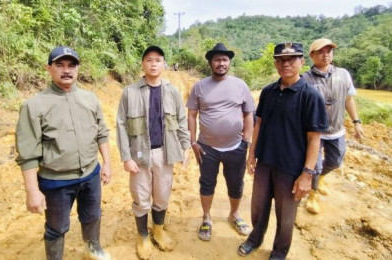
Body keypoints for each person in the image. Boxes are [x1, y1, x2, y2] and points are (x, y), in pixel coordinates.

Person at [15, 46, 111, 260]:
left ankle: (92, 249)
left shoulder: (90, 99)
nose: (66, 70)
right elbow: (28, 152)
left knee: (92, 216)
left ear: (77, 69)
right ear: (49, 68)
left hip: (91, 174)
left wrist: (107, 163)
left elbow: (102, 132)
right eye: (60, 65)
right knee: (56, 227)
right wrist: (32, 191)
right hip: (56, 181)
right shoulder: (34, 106)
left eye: (71, 65)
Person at [237, 43, 329, 259]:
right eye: (280, 60)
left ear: (301, 62)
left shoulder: (310, 96)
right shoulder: (269, 92)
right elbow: (259, 124)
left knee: (285, 214)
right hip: (265, 162)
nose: (285, 63)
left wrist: (307, 174)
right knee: (258, 207)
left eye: (291, 59)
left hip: (292, 167)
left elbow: (315, 137)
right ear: (276, 64)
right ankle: (255, 239)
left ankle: (279, 252)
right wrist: (252, 154)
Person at [116, 45, 190, 260]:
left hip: (165, 153)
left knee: (162, 194)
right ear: (143, 64)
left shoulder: (173, 91)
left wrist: (185, 146)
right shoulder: (130, 92)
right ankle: (142, 236)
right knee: (141, 197)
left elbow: (181, 120)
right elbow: (121, 125)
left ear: (164, 64)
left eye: (158, 60)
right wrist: (126, 157)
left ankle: (158, 230)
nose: (153, 64)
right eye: (149, 60)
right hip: (139, 155)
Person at [187, 43, 255, 241]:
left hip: (236, 147)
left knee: (236, 184)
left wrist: (246, 141)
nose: (221, 63)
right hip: (207, 147)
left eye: (225, 59)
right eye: (217, 59)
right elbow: (192, 115)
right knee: (207, 183)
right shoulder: (200, 86)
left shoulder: (240, 85)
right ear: (210, 62)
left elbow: (248, 114)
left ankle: (234, 214)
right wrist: (193, 141)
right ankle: (207, 217)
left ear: (229, 62)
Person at [302, 38, 365, 214]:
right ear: (312, 56)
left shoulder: (343, 74)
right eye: (321, 52)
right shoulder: (305, 79)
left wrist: (356, 122)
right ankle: (312, 195)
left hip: (337, 130)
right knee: (314, 166)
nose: (326, 55)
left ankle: (320, 178)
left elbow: (349, 99)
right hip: (314, 132)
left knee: (336, 161)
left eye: (329, 51)